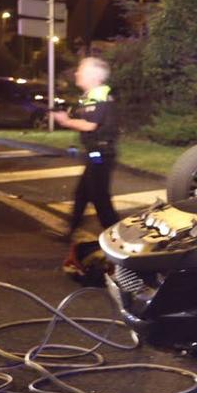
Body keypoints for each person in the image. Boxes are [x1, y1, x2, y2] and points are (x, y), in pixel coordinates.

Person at [52, 57, 119, 275]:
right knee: (82, 194)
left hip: (100, 154)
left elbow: (90, 125)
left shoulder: (98, 95)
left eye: (81, 70)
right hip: (96, 154)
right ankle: (70, 231)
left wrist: (65, 121)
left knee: (99, 198)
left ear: (94, 75)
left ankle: (119, 240)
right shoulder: (91, 96)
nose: (77, 73)